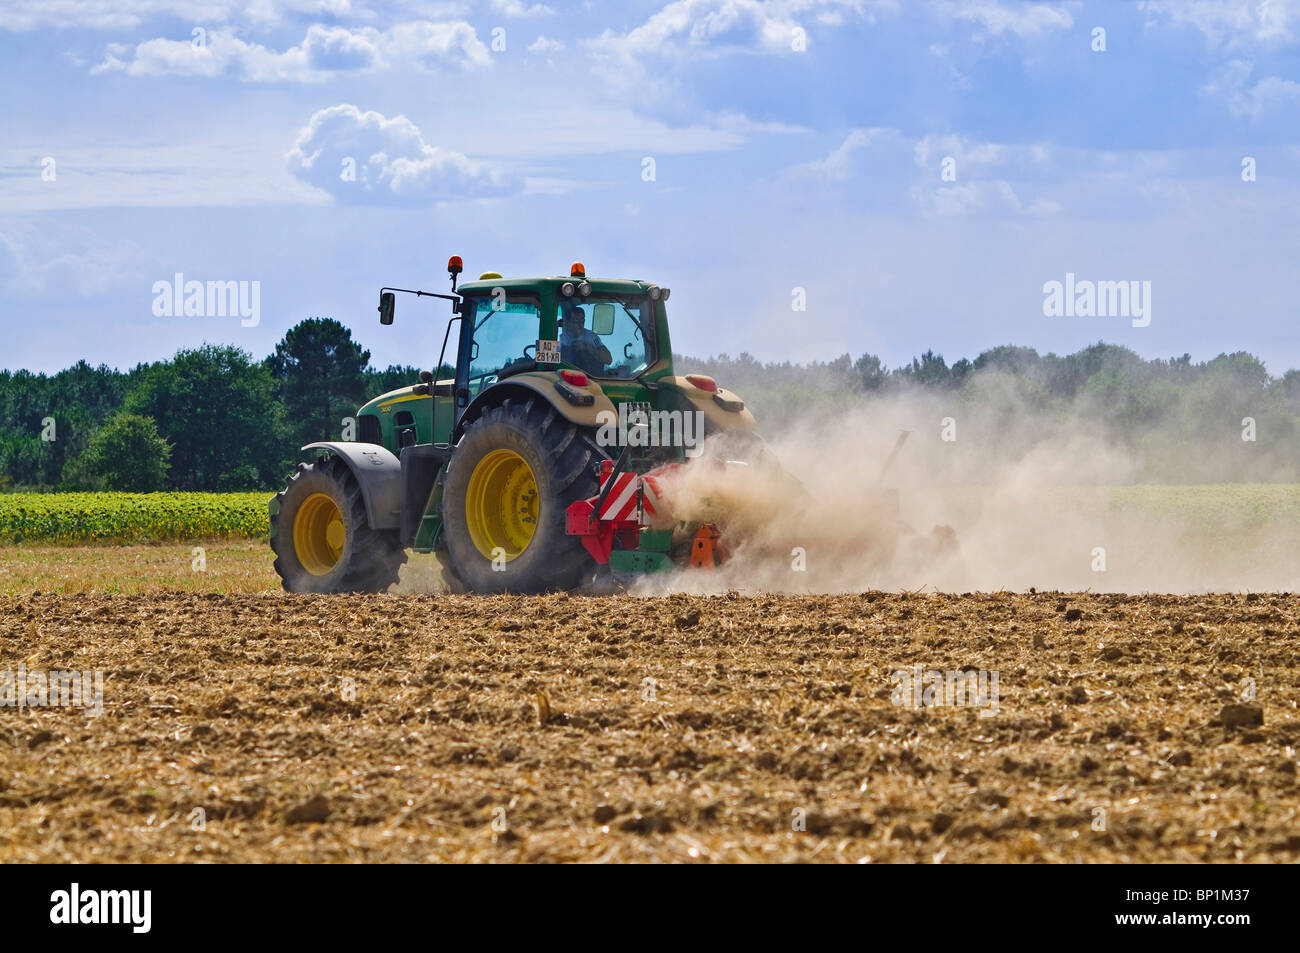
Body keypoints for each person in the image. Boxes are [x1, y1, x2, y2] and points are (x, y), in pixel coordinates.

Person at [559, 304, 611, 374]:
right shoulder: (561, 338)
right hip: (567, 374)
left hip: (592, 377)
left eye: (582, 321)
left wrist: (588, 347)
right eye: (575, 321)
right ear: (567, 323)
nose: (580, 324)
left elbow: (608, 359)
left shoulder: (592, 337)